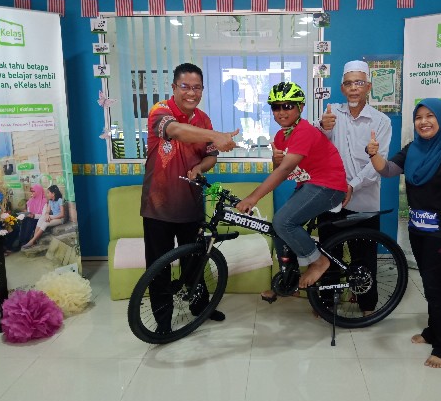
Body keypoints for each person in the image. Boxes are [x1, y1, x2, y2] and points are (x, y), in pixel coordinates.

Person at [367, 98, 441, 368]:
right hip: (418, 228)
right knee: (429, 284)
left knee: (437, 288)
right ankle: (432, 331)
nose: (423, 122)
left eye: (430, 116)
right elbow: (388, 170)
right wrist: (373, 154)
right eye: (419, 117)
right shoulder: (413, 149)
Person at [140, 62, 238, 331]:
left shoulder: (203, 119)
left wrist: (200, 167)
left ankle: (200, 307)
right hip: (158, 206)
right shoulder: (160, 111)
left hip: (191, 204)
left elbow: (211, 156)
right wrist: (217, 135)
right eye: (185, 86)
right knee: (158, 266)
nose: (191, 93)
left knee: (195, 260)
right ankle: (162, 321)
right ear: (174, 87)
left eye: (197, 88)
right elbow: (176, 131)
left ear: (202, 90)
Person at [236, 82, 347, 291]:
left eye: (287, 106)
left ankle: (319, 262)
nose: (281, 112)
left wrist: (253, 197)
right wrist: (275, 159)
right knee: (278, 229)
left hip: (328, 186)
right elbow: (281, 168)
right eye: (276, 107)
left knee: (283, 221)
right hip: (309, 184)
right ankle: (288, 280)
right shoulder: (281, 136)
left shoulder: (304, 131)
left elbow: (285, 169)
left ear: (300, 107)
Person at [314, 60, 392, 314]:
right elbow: (316, 144)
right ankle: (327, 302)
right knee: (329, 253)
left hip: (365, 200)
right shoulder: (332, 114)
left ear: (368, 86)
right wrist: (323, 127)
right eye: (348, 83)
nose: (354, 88)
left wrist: (352, 185)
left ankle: (367, 305)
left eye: (359, 83)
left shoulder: (381, 121)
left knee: (364, 255)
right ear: (342, 88)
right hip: (331, 198)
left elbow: (378, 164)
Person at [4, 184, 48, 254]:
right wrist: (25, 213)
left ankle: (24, 242)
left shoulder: (44, 202)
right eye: (31, 191)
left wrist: (33, 215)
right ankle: (21, 242)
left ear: (38, 191)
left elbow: (43, 216)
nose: (32, 193)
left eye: (33, 191)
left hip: (38, 220)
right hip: (30, 218)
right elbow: (28, 212)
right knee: (23, 220)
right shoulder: (31, 201)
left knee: (28, 220)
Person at [21, 184, 66, 249]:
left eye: (48, 193)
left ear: (53, 194)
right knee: (42, 217)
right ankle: (34, 239)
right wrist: (47, 215)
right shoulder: (50, 201)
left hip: (60, 219)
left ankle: (32, 241)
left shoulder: (59, 200)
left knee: (45, 223)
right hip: (53, 217)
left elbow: (62, 215)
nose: (47, 194)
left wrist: (51, 217)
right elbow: (47, 212)